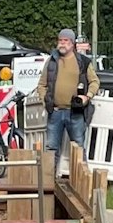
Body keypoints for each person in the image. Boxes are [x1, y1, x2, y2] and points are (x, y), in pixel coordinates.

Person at [35, 27, 99, 168]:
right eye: (60, 40)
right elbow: (42, 84)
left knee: (78, 149)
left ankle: (82, 184)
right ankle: (48, 184)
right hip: (55, 112)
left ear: (72, 43)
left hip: (75, 112)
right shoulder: (51, 61)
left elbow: (95, 81)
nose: (62, 43)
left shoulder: (83, 62)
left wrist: (87, 97)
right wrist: (45, 100)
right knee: (51, 149)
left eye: (66, 40)